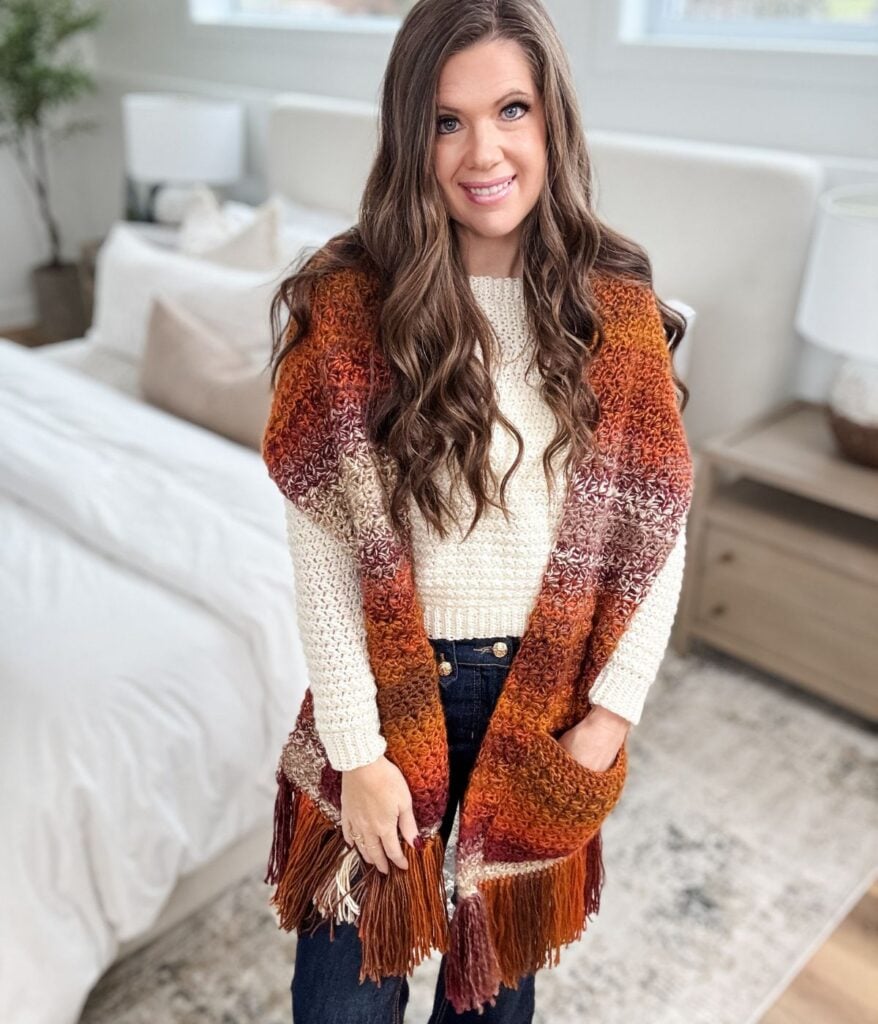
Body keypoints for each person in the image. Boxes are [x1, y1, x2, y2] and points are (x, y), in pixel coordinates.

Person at [262, 1, 692, 1021]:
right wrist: (358, 757)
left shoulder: (613, 304)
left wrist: (607, 719)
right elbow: (321, 546)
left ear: (553, 122)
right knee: (339, 1000)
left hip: (535, 710)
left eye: (511, 108)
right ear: (411, 134)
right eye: (447, 120)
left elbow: (653, 530)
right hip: (378, 703)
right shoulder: (348, 301)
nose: (482, 150)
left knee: (493, 1003)